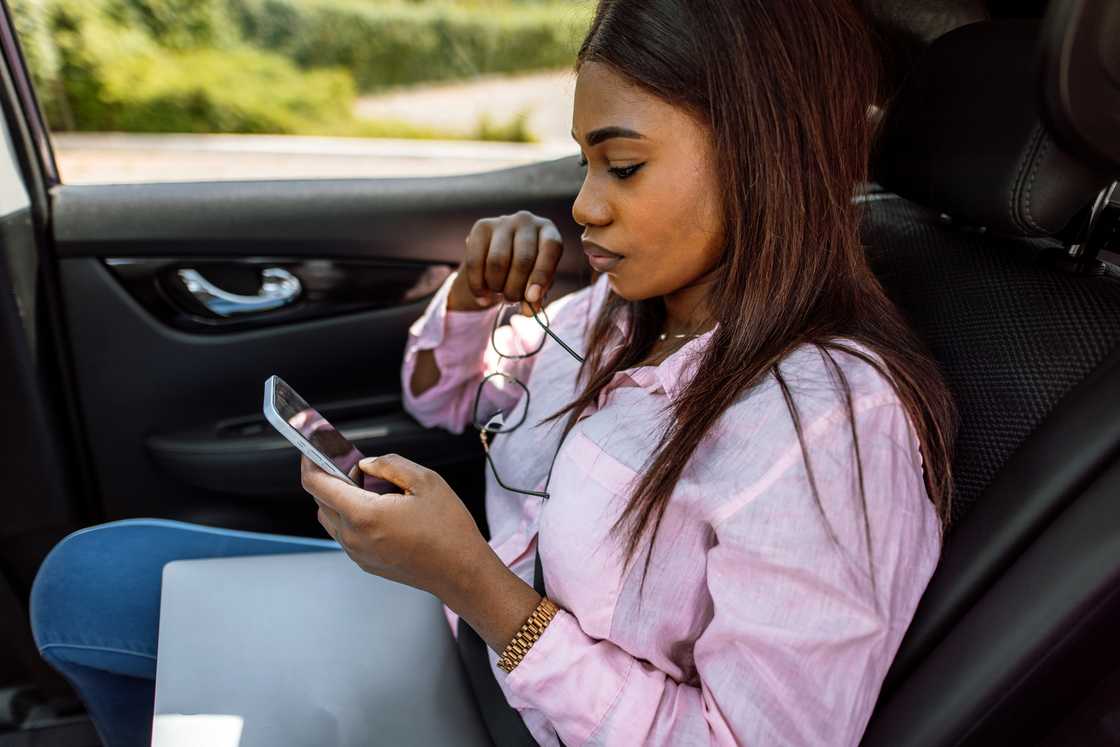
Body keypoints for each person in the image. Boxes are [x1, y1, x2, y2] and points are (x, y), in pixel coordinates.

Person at [28, 0, 957, 744]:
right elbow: (442, 397)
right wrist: (474, 298)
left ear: (765, 155)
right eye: (586, 162)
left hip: (516, 698)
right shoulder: (621, 314)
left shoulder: (826, 424)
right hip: (460, 636)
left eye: (623, 165)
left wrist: (478, 585)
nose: (583, 205)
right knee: (88, 580)